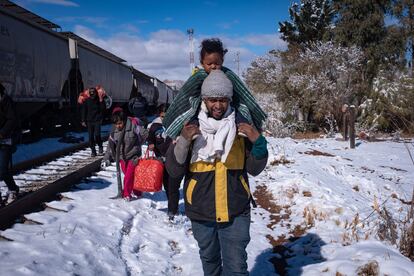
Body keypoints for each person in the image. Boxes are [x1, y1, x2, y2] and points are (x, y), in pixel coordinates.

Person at [165, 70, 268, 275]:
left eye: (223, 100)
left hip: (236, 211)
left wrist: (258, 141)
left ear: (229, 100)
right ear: (204, 100)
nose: (218, 105)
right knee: (210, 263)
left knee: (237, 268)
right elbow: (174, 170)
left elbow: (255, 169)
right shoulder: (190, 128)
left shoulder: (241, 128)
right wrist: (184, 140)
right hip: (201, 211)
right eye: (213, 99)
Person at [101, 108, 147, 200]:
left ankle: (126, 194)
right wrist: (106, 158)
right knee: (129, 175)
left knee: (128, 176)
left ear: (124, 120)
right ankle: (137, 191)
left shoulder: (133, 125)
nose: (118, 126)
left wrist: (139, 144)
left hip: (134, 156)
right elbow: (110, 146)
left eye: (120, 123)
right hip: (122, 157)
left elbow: (144, 134)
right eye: (116, 124)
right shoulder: (114, 131)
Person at [147, 104, 182, 220]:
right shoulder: (155, 126)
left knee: (173, 186)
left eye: (167, 116)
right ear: (159, 115)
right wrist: (151, 144)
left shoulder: (177, 124)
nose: (164, 119)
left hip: (175, 160)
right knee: (166, 185)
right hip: (161, 161)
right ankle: (172, 206)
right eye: (162, 116)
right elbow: (150, 138)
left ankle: (173, 210)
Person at [0, 82, 20, 205]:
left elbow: (12, 119)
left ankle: (13, 189)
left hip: (4, 140)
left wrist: (2, 133)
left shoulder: (6, 101)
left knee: (2, 170)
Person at [80, 87, 106, 157]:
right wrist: (83, 120)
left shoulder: (99, 100)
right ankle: (93, 151)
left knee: (97, 135)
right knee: (91, 137)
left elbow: (103, 109)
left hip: (97, 120)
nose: (92, 96)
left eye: (93, 94)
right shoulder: (87, 101)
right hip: (89, 121)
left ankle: (100, 147)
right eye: (91, 94)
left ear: (96, 94)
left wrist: (101, 101)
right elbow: (84, 110)